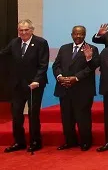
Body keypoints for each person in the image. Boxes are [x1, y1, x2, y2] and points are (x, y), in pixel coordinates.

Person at [1, 20, 49, 153]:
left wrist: (37, 80)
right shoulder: (14, 42)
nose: (23, 32)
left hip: (34, 85)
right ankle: (19, 142)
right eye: (21, 30)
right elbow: (3, 54)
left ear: (32, 30)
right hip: (17, 85)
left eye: (26, 30)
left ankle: (35, 141)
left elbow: (43, 64)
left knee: (33, 114)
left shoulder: (41, 43)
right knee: (16, 115)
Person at [52, 25, 99, 151]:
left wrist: (75, 77)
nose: (78, 36)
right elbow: (56, 66)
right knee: (67, 118)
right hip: (64, 88)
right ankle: (70, 141)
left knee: (83, 117)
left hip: (82, 90)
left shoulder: (92, 48)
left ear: (85, 34)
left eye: (81, 34)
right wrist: (60, 77)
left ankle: (85, 142)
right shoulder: (64, 48)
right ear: (72, 34)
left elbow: (92, 67)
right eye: (76, 34)